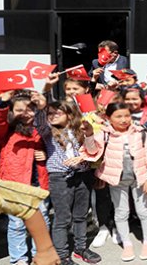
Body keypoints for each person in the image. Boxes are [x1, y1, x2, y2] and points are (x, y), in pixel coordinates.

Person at [81, 103, 147, 261]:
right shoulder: (105, 134)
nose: (124, 120)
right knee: (121, 212)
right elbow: (92, 152)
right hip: (116, 180)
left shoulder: (140, 132)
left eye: (127, 115)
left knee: (143, 211)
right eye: (118, 116)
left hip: (140, 179)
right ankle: (127, 244)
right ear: (108, 118)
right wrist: (90, 135)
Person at [33, 99, 101, 265]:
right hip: (60, 177)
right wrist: (42, 105)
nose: (53, 116)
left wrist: (90, 135)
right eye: (50, 113)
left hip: (82, 174)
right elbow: (39, 122)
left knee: (81, 215)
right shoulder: (49, 131)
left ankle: (80, 247)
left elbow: (92, 151)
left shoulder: (81, 129)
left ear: (70, 114)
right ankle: (62, 256)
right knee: (62, 218)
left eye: (58, 112)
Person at [0, 91, 50, 265]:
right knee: (17, 224)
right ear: (11, 112)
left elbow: (51, 138)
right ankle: (18, 258)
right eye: (19, 110)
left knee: (41, 222)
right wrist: (2, 103)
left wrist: (45, 154)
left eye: (29, 109)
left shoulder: (39, 128)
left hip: (38, 183)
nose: (25, 113)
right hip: (14, 184)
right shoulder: (6, 130)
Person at [0, 177, 60, 265]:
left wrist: (45, 250)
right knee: (16, 225)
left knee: (18, 222)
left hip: (31, 181)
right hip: (17, 176)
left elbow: (27, 206)